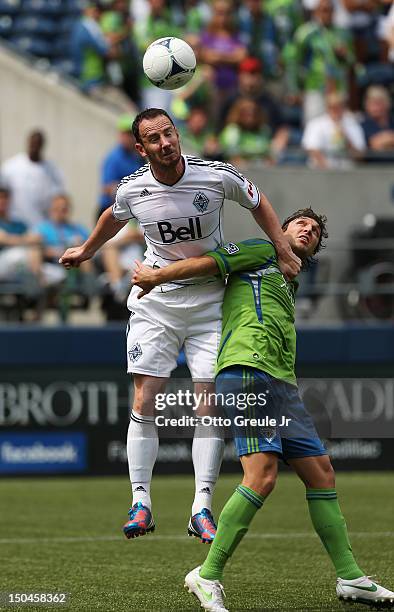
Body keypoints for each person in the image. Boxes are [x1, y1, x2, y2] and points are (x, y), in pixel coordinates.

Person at [131, 207, 394, 611]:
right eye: (300, 223)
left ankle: (350, 578)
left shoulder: (292, 278)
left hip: (282, 384)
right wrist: (157, 275)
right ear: (282, 228)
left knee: (322, 472)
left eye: (316, 230)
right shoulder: (260, 249)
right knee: (262, 476)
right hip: (247, 371)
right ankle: (207, 575)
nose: (308, 230)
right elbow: (210, 263)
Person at [59, 107, 301, 544]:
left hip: (210, 299)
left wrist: (282, 249)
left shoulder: (215, 175)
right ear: (141, 148)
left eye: (169, 133)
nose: (166, 143)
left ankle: (201, 507)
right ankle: (141, 501)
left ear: (177, 133)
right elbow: (114, 216)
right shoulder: (134, 187)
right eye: (155, 139)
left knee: (208, 401)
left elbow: (257, 200)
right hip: (157, 302)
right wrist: (88, 250)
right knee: (146, 395)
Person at [0, 130, 65, 228]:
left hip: (42, 225)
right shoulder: (11, 166)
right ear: (28, 142)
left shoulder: (52, 170)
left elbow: (58, 198)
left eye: (38, 144)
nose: (35, 147)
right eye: (33, 143)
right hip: (16, 225)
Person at [302, 91, 366, 169]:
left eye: (339, 106)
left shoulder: (353, 124)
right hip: (320, 173)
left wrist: (346, 139)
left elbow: (360, 156)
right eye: (332, 107)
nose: (335, 110)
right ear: (327, 107)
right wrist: (329, 171)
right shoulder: (315, 124)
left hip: (347, 173)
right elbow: (313, 150)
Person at [98, 115, 143, 217]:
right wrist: (133, 191)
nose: (130, 138)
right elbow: (107, 188)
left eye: (132, 134)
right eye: (126, 134)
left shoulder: (139, 156)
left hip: (131, 210)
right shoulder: (114, 158)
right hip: (111, 211)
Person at [361, 85, 394, 155]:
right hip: (374, 164)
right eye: (371, 103)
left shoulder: (392, 121)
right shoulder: (364, 125)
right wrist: (390, 138)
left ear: (387, 104)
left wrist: (383, 139)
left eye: (378, 103)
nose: (375, 108)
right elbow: (374, 144)